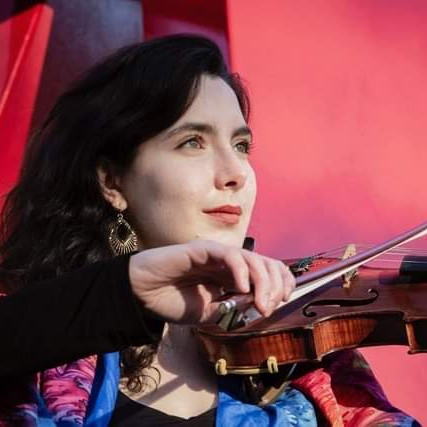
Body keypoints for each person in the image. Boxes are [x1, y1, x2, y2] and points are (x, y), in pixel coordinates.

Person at [0, 34, 419, 426]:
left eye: (241, 146)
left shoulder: (310, 359)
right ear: (112, 182)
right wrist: (127, 292)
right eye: (192, 143)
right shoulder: (31, 327)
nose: (236, 172)